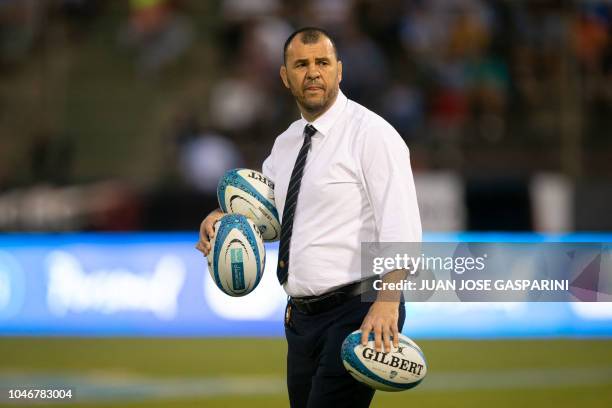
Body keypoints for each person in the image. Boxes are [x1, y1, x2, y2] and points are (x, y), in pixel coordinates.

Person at [196, 27, 421, 408]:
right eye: (301, 64)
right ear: (286, 76)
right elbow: (274, 217)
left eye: (322, 63)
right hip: (300, 319)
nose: (313, 72)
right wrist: (222, 219)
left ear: (339, 71)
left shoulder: (372, 134)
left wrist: (387, 301)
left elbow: (400, 222)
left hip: (358, 310)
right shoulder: (286, 143)